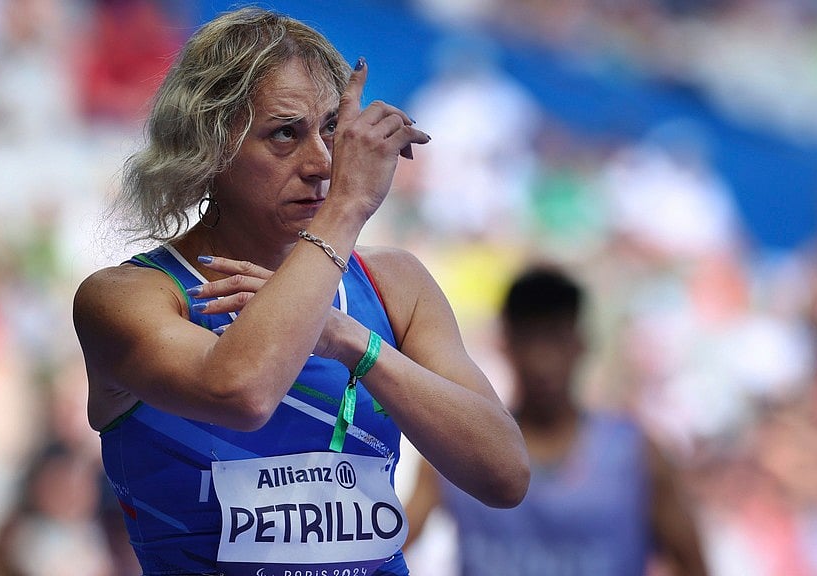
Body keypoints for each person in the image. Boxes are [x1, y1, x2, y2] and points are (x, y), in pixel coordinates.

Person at [72, 7, 529, 576]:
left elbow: (505, 475)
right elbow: (241, 393)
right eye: (285, 133)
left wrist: (352, 342)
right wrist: (345, 211)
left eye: (333, 130)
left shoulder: (394, 284)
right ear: (209, 145)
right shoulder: (128, 296)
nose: (321, 163)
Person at [404, 264, 709, 576]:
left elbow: (693, 565)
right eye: (531, 339)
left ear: (580, 344)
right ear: (507, 344)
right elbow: (390, 544)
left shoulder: (638, 457)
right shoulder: (456, 450)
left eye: (556, 339)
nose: (543, 360)